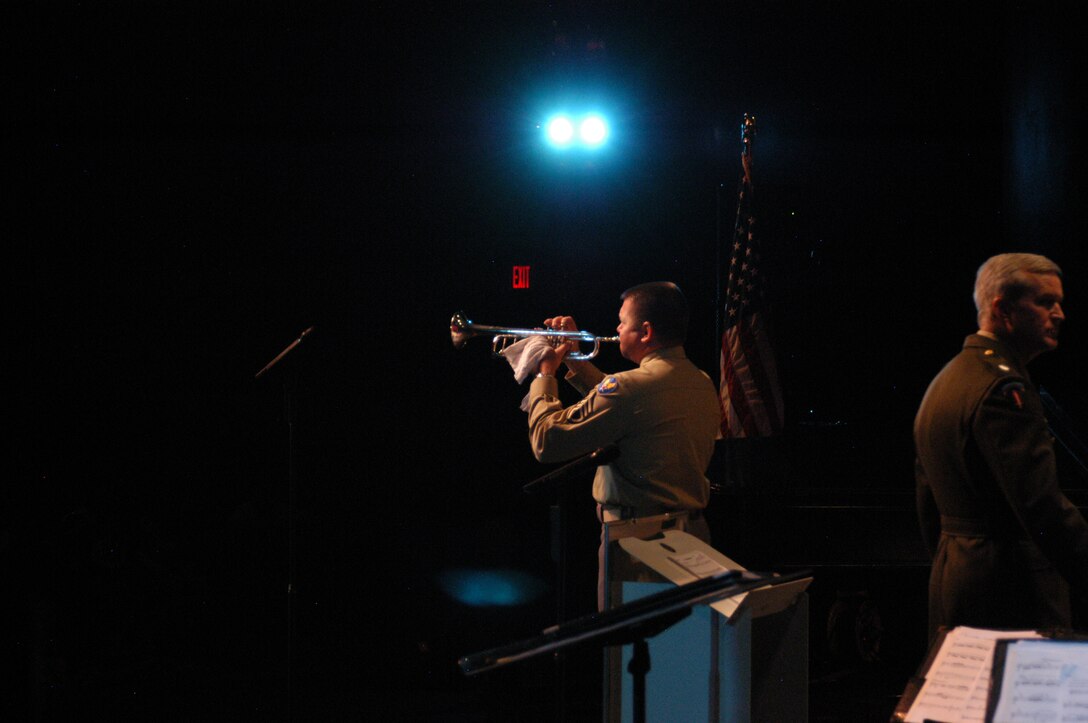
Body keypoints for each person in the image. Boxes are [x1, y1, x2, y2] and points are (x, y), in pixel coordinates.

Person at [914, 253, 1088, 640]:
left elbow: (928, 501)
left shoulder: (950, 379)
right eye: (1045, 302)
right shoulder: (1003, 390)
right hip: (1010, 593)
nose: (1059, 314)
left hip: (957, 579)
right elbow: (1041, 508)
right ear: (1003, 309)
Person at [526, 281, 721, 610]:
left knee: (627, 655)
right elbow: (626, 404)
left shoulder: (630, 388)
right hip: (692, 538)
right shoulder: (700, 381)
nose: (615, 328)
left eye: (622, 321)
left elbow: (546, 441)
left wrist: (545, 374)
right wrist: (575, 359)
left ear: (645, 331)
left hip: (638, 548)